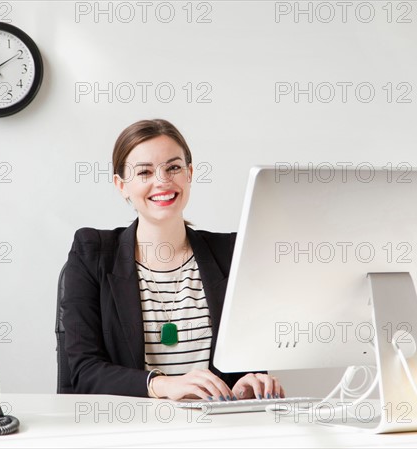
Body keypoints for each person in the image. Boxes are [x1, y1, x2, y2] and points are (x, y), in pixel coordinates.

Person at [62, 119, 285, 401]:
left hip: (216, 429)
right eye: (144, 172)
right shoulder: (91, 252)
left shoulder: (232, 252)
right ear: (121, 185)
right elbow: (85, 372)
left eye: (173, 167)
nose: (163, 181)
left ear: (189, 173)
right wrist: (164, 385)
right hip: (130, 430)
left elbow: (247, 362)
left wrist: (244, 386)